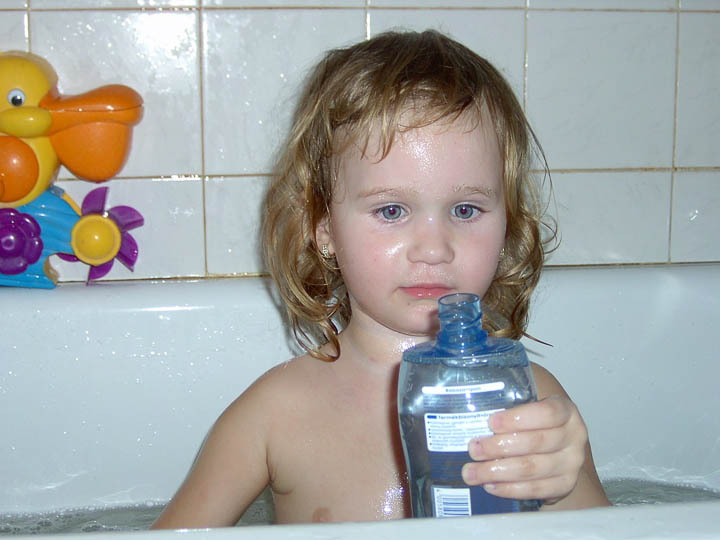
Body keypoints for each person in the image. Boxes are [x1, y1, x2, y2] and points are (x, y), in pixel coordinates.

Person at [152, 29, 610, 528]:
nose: (433, 248)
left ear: (508, 225)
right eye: (391, 210)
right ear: (322, 227)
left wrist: (560, 487)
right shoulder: (274, 414)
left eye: (465, 209)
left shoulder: (526, 398)